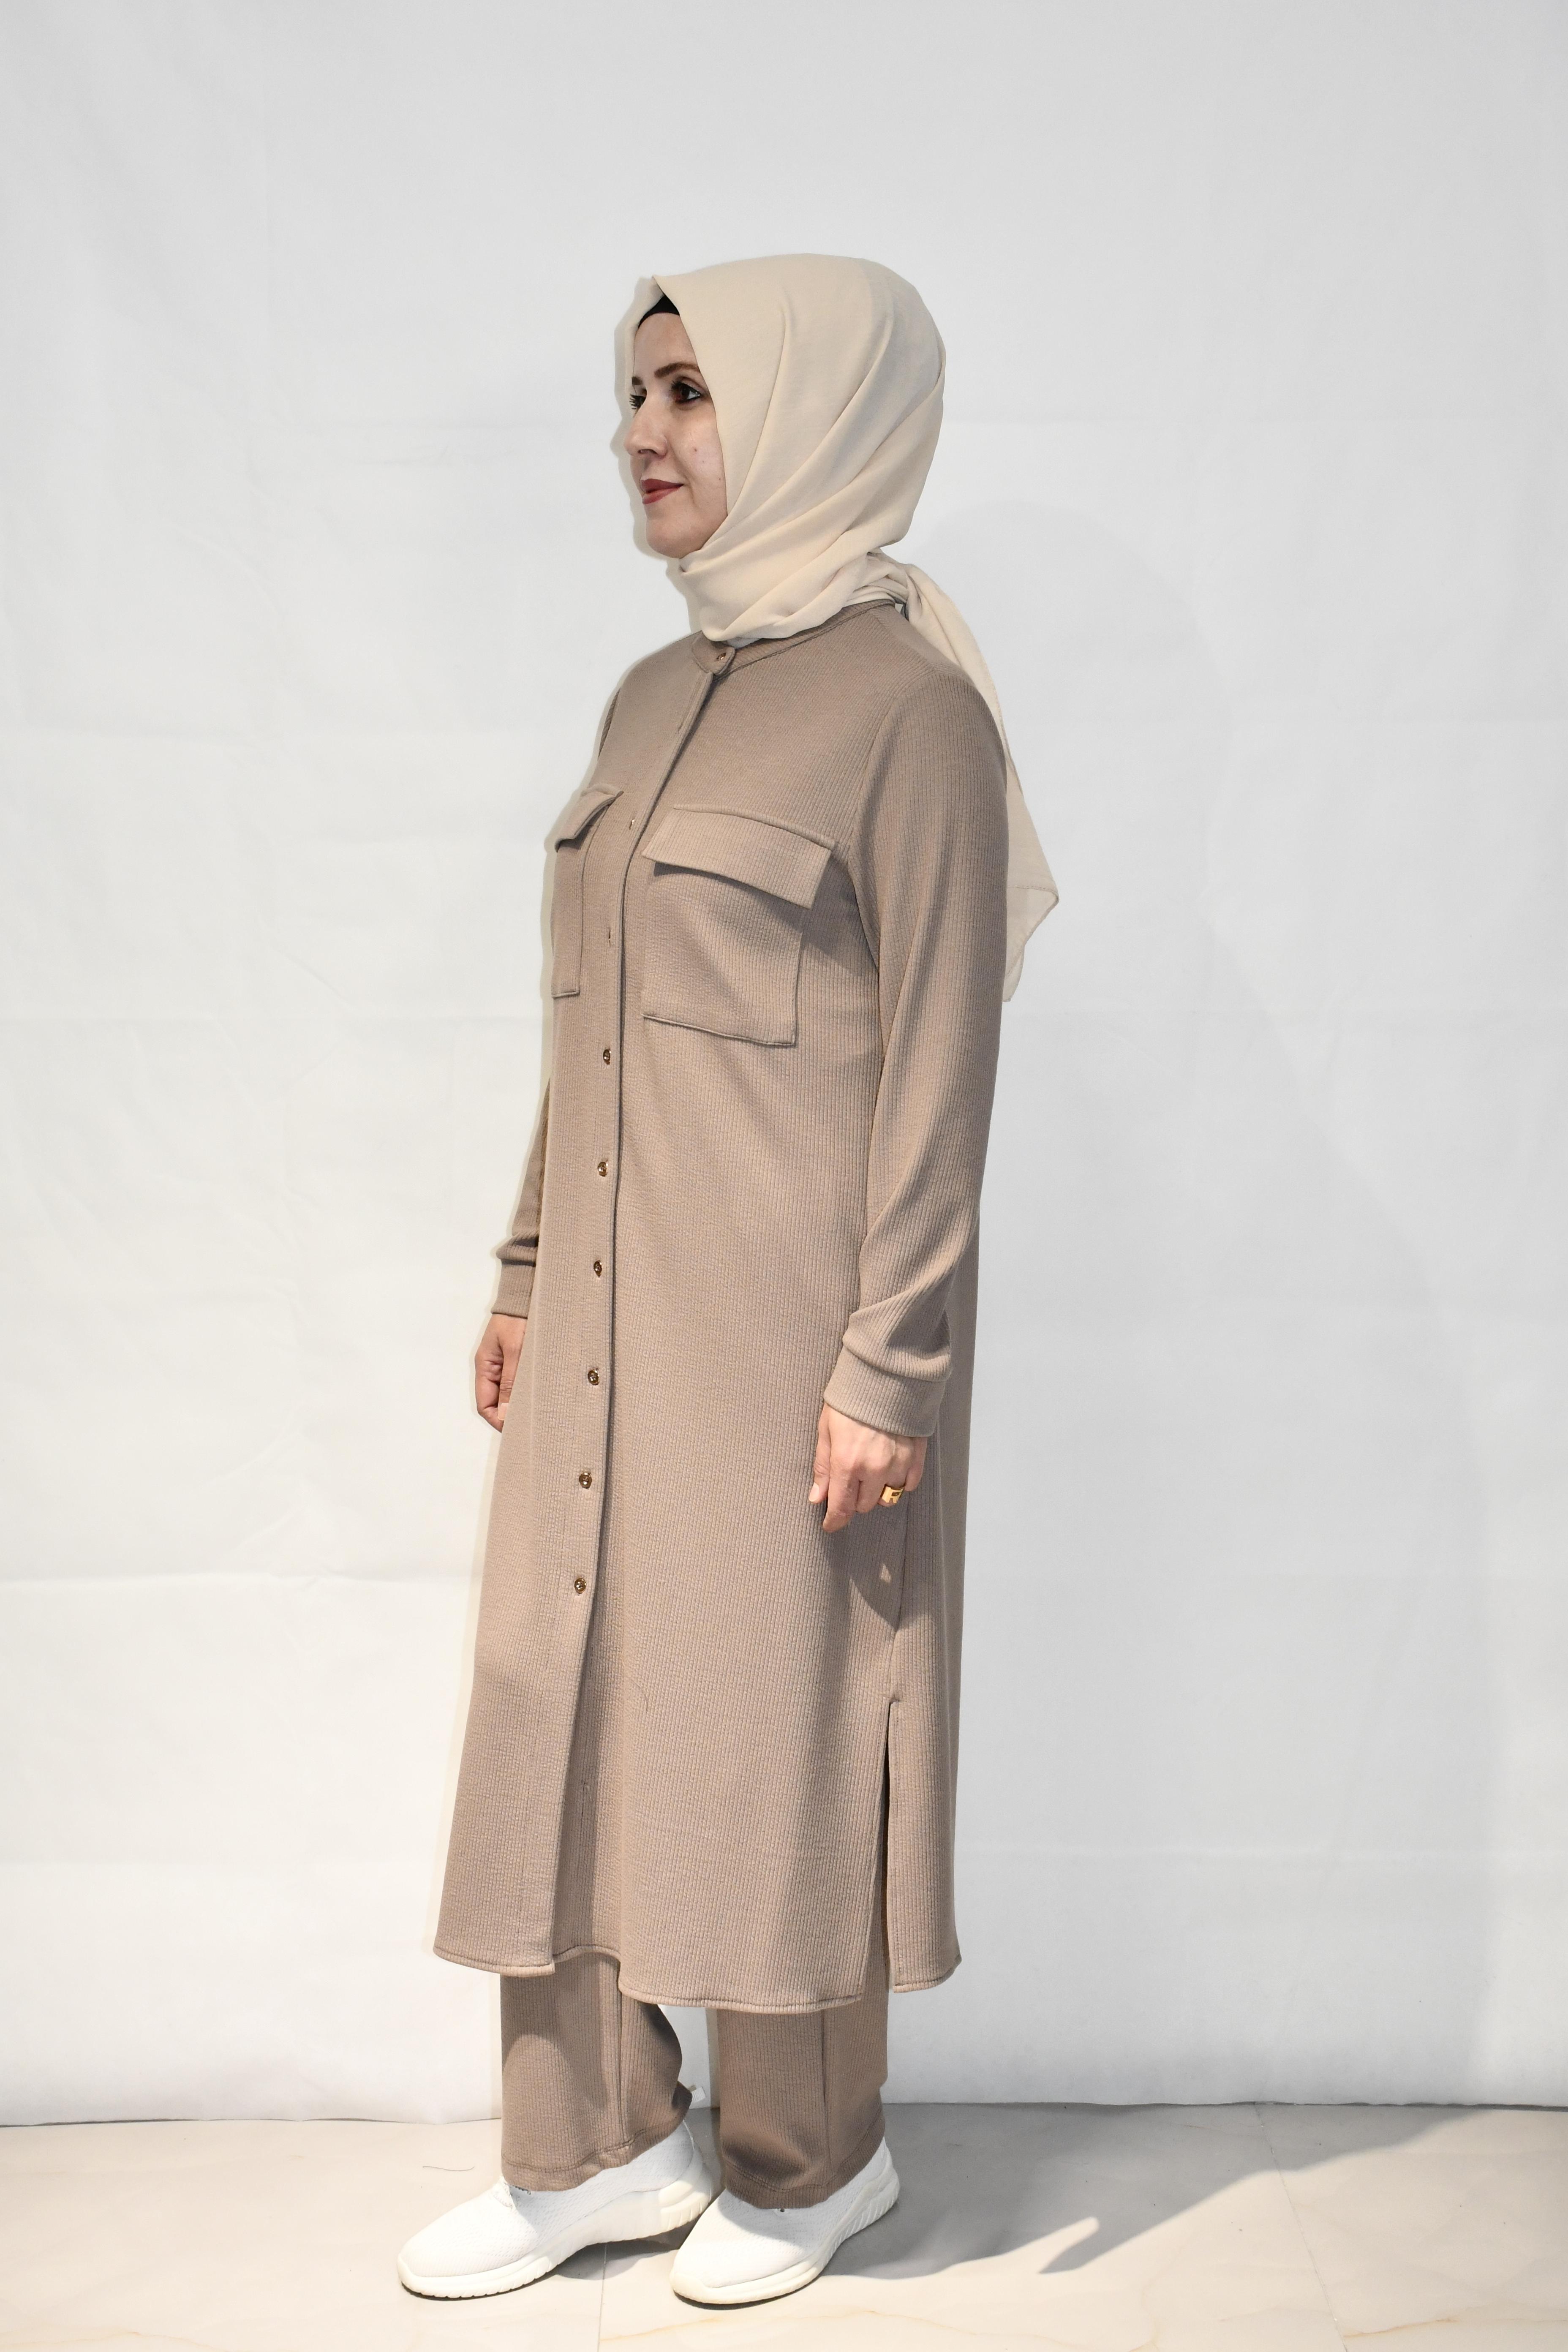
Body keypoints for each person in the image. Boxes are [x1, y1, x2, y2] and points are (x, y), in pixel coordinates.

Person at [396, 253, 1056, 2309]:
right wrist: (525, 1267)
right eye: (634, 392)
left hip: (788, 1342)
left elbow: (941, 1068)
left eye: (688, 392)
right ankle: (592, 2145)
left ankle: (807, 2156)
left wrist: (891, 1363)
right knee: (562, 1696)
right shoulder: (649, 695)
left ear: (808, 411)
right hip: (604, 1315)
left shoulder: (912, 714)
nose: (643, 434)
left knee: (776, 1731)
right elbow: (582, 1022)